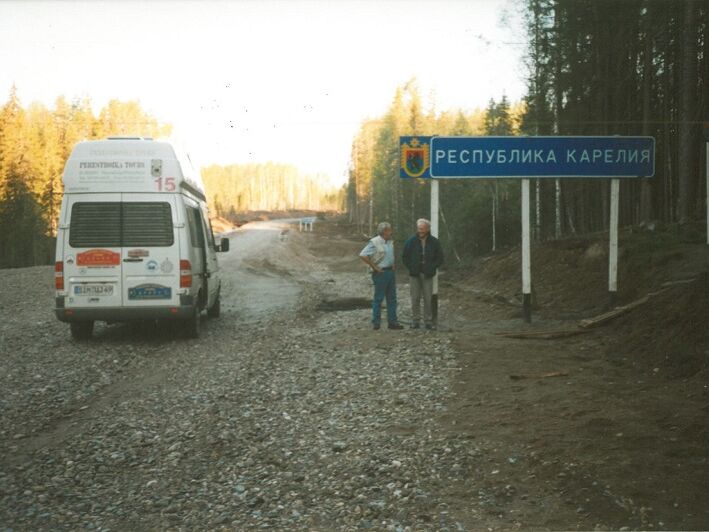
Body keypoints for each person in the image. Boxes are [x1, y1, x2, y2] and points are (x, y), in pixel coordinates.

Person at [359, 222, 404, 330]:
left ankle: (392, 322)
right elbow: (363, 255)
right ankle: (376, 322)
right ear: (384, 231)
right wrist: (374, 267)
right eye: (389, 230)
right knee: (378, 298)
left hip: (390, 272)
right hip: (380, 273)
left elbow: (388, 255)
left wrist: (392, 265)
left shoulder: (390, 242)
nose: (391, 232)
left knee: (392, 298)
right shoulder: (375, 242)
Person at [402, 218, 444, 330]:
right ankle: (415, 321)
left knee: (428, 298)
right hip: (414, 274)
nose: (420, 230)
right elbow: (404, 257)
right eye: (419, 228)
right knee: (415, 298)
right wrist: (411, 267)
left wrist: (432, 267)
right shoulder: (410, 241)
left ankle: (428, 321)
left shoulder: (434, 242)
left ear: (427, 229)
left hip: (428, 275)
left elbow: (440, 258)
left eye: (422, 229)